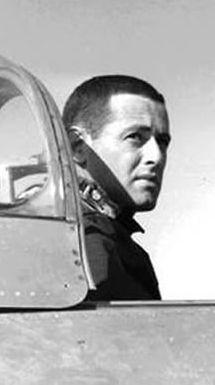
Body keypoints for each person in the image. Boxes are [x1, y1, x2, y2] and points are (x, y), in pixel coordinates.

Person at [62, 75, 171, 300]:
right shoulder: (83, 239)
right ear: (78, 147)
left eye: (162, 141)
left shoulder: (102, 234)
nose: (156, 156)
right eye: (134, 137)